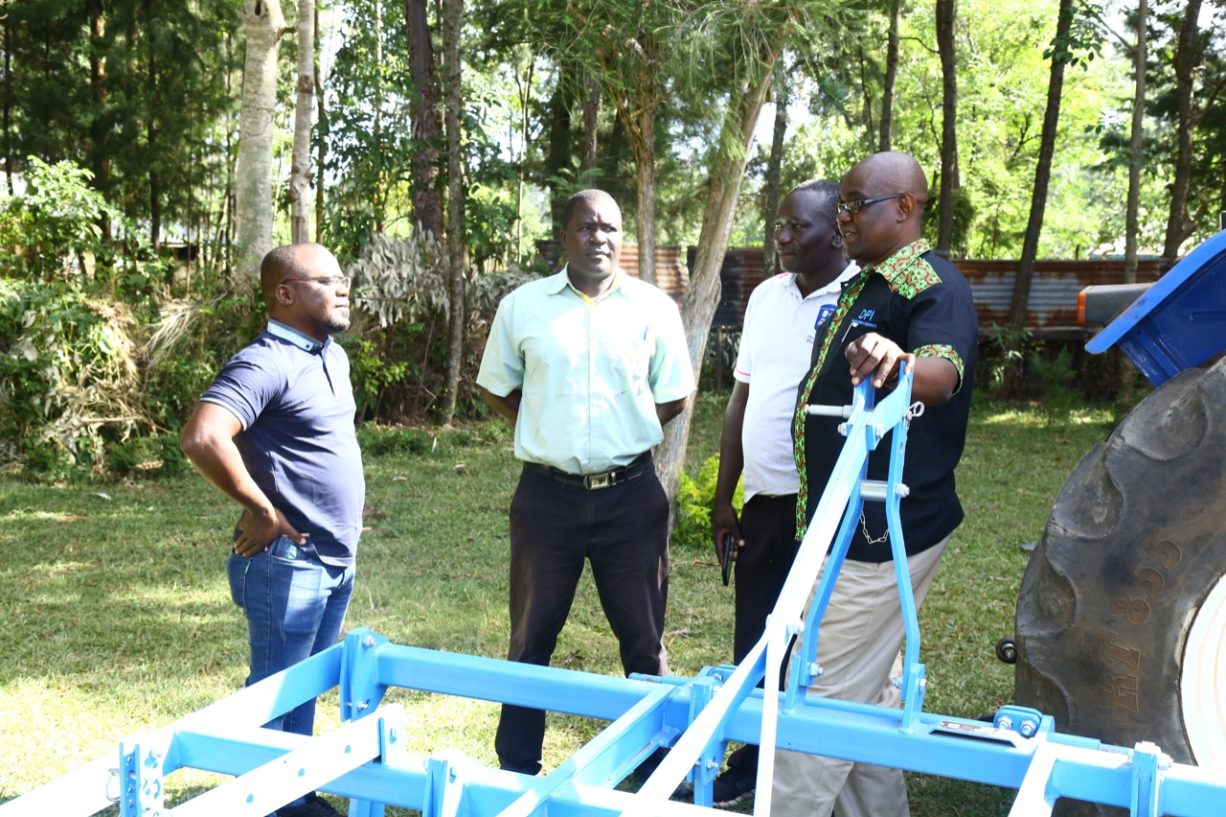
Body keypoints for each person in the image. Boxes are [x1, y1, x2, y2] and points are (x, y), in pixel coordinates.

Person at [772, 152, 978, 817]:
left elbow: (942, 374)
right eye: (843, 204)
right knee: (865, 702)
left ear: (906, 208)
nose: (843, 217)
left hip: (879, 535)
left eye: (856, 204)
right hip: (847, 528)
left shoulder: (931, 285)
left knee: (817, 700)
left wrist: (901, 360)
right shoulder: (868, 284)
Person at [477, 188, 696, 776]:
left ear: (621, 238)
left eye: (610, 227)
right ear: (564, 236)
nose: (599, 237)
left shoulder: (654, 308)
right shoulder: (524, 306)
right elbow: (497, 386)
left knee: (645, 644)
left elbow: (675, 393)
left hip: (632, 497)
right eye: (586, 227)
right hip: (547, 499)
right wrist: (545, 423)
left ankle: (658, 771)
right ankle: (517, 769)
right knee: (530, 640)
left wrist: (628, 431)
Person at [180, 243, 363, 817]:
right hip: (289, 562)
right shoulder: (264, 362)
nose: (343, 288)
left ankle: (295, 794)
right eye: (327, 281)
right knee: (273, 690)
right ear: (284, 293)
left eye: (343, 279)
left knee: (304, 683)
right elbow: (204, 437)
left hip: (332, 557)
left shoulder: (330, 354)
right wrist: (262, 509)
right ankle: (263, 801)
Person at [708, 179, 858, 806]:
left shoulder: (862, 299)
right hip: (764, 501)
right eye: (781, 225)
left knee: (816, 644)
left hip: (826, 505)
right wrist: (724, 496)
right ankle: (751, 760)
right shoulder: (768, 295)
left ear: (838, 231)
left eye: (800, 227)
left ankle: (801, 766)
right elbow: (743, 395)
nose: (785, 236)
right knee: (756, 636)